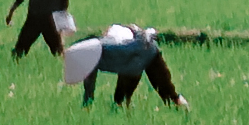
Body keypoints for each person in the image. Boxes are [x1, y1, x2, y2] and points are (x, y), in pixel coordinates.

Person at [63, 23, 191, 111]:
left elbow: (89, 87)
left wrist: (87, 104)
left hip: (143, 55)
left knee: (168, 95)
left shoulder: (99, 50)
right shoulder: (99, 49)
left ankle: (182, 111)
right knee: (121, 102)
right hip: (135, 57)